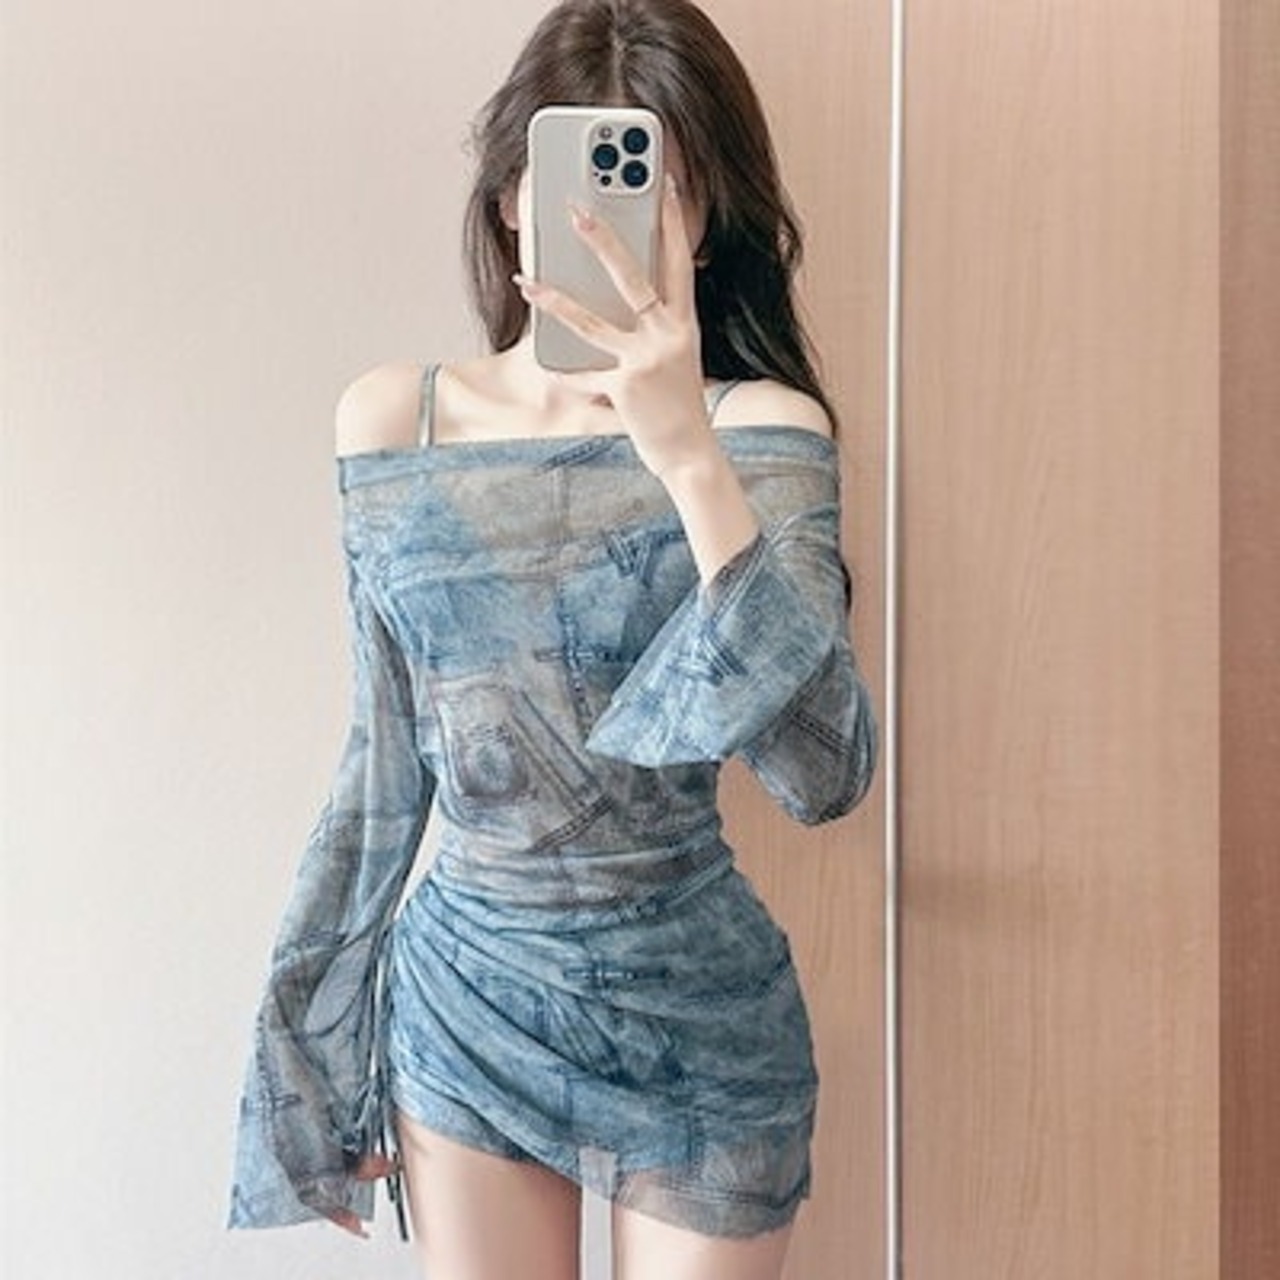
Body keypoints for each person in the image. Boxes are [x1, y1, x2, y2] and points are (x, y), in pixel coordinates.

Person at [227, 1, 878, 1277]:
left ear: (705, 219)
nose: (607, 224)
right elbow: (381, 764)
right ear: (510, 198)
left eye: (656, 188)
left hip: (699, 1008)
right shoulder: (394, 418)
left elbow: (823, 772)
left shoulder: (762, 430)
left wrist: (687, 455)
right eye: (575, 179)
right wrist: (309, 1046)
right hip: (469, 994)